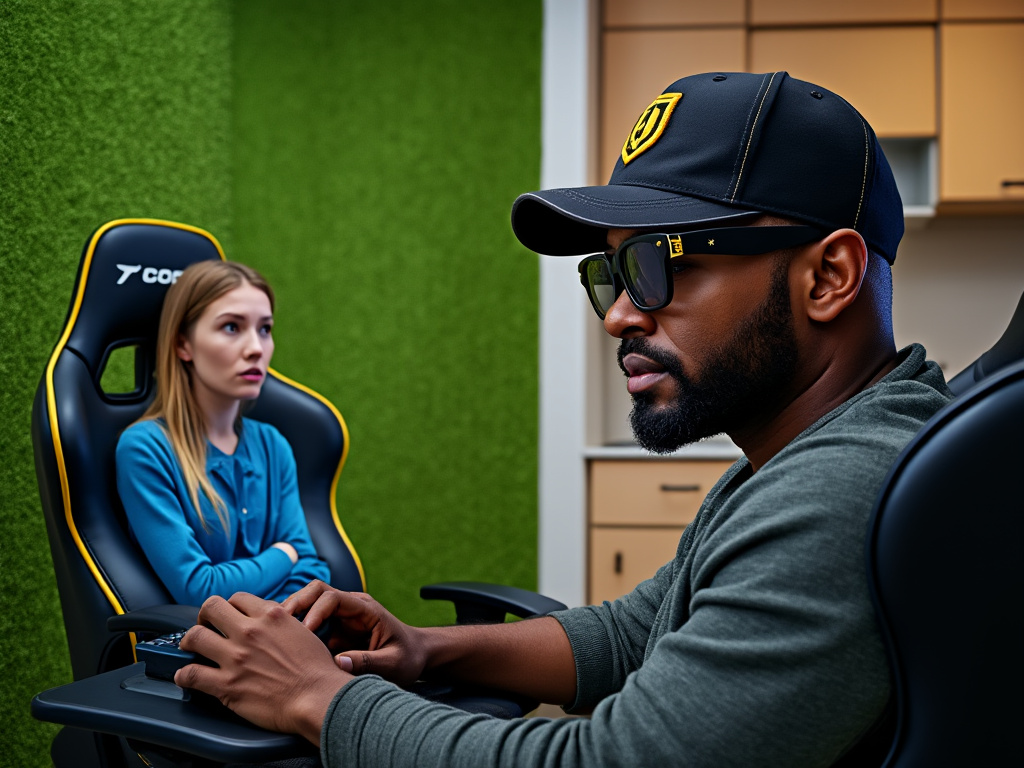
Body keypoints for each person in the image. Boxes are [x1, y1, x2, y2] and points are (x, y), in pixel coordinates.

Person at [173, 72, 953, 766]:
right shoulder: (798, 462)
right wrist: (424, 648)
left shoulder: (842, 493)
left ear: (829, 277)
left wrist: (319, 699)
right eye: (611, 273)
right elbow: (630, 637)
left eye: (658, 265)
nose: (617, 316)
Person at [116, 260, 329, 605]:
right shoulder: (145, 449)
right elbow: (200, 589)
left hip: (290, 639)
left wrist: (288, 568)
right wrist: (284, 554)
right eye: (232, 327)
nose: (256, 348)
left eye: (265, 329)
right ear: (183, 345)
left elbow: (314, 572)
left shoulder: (273, 446)